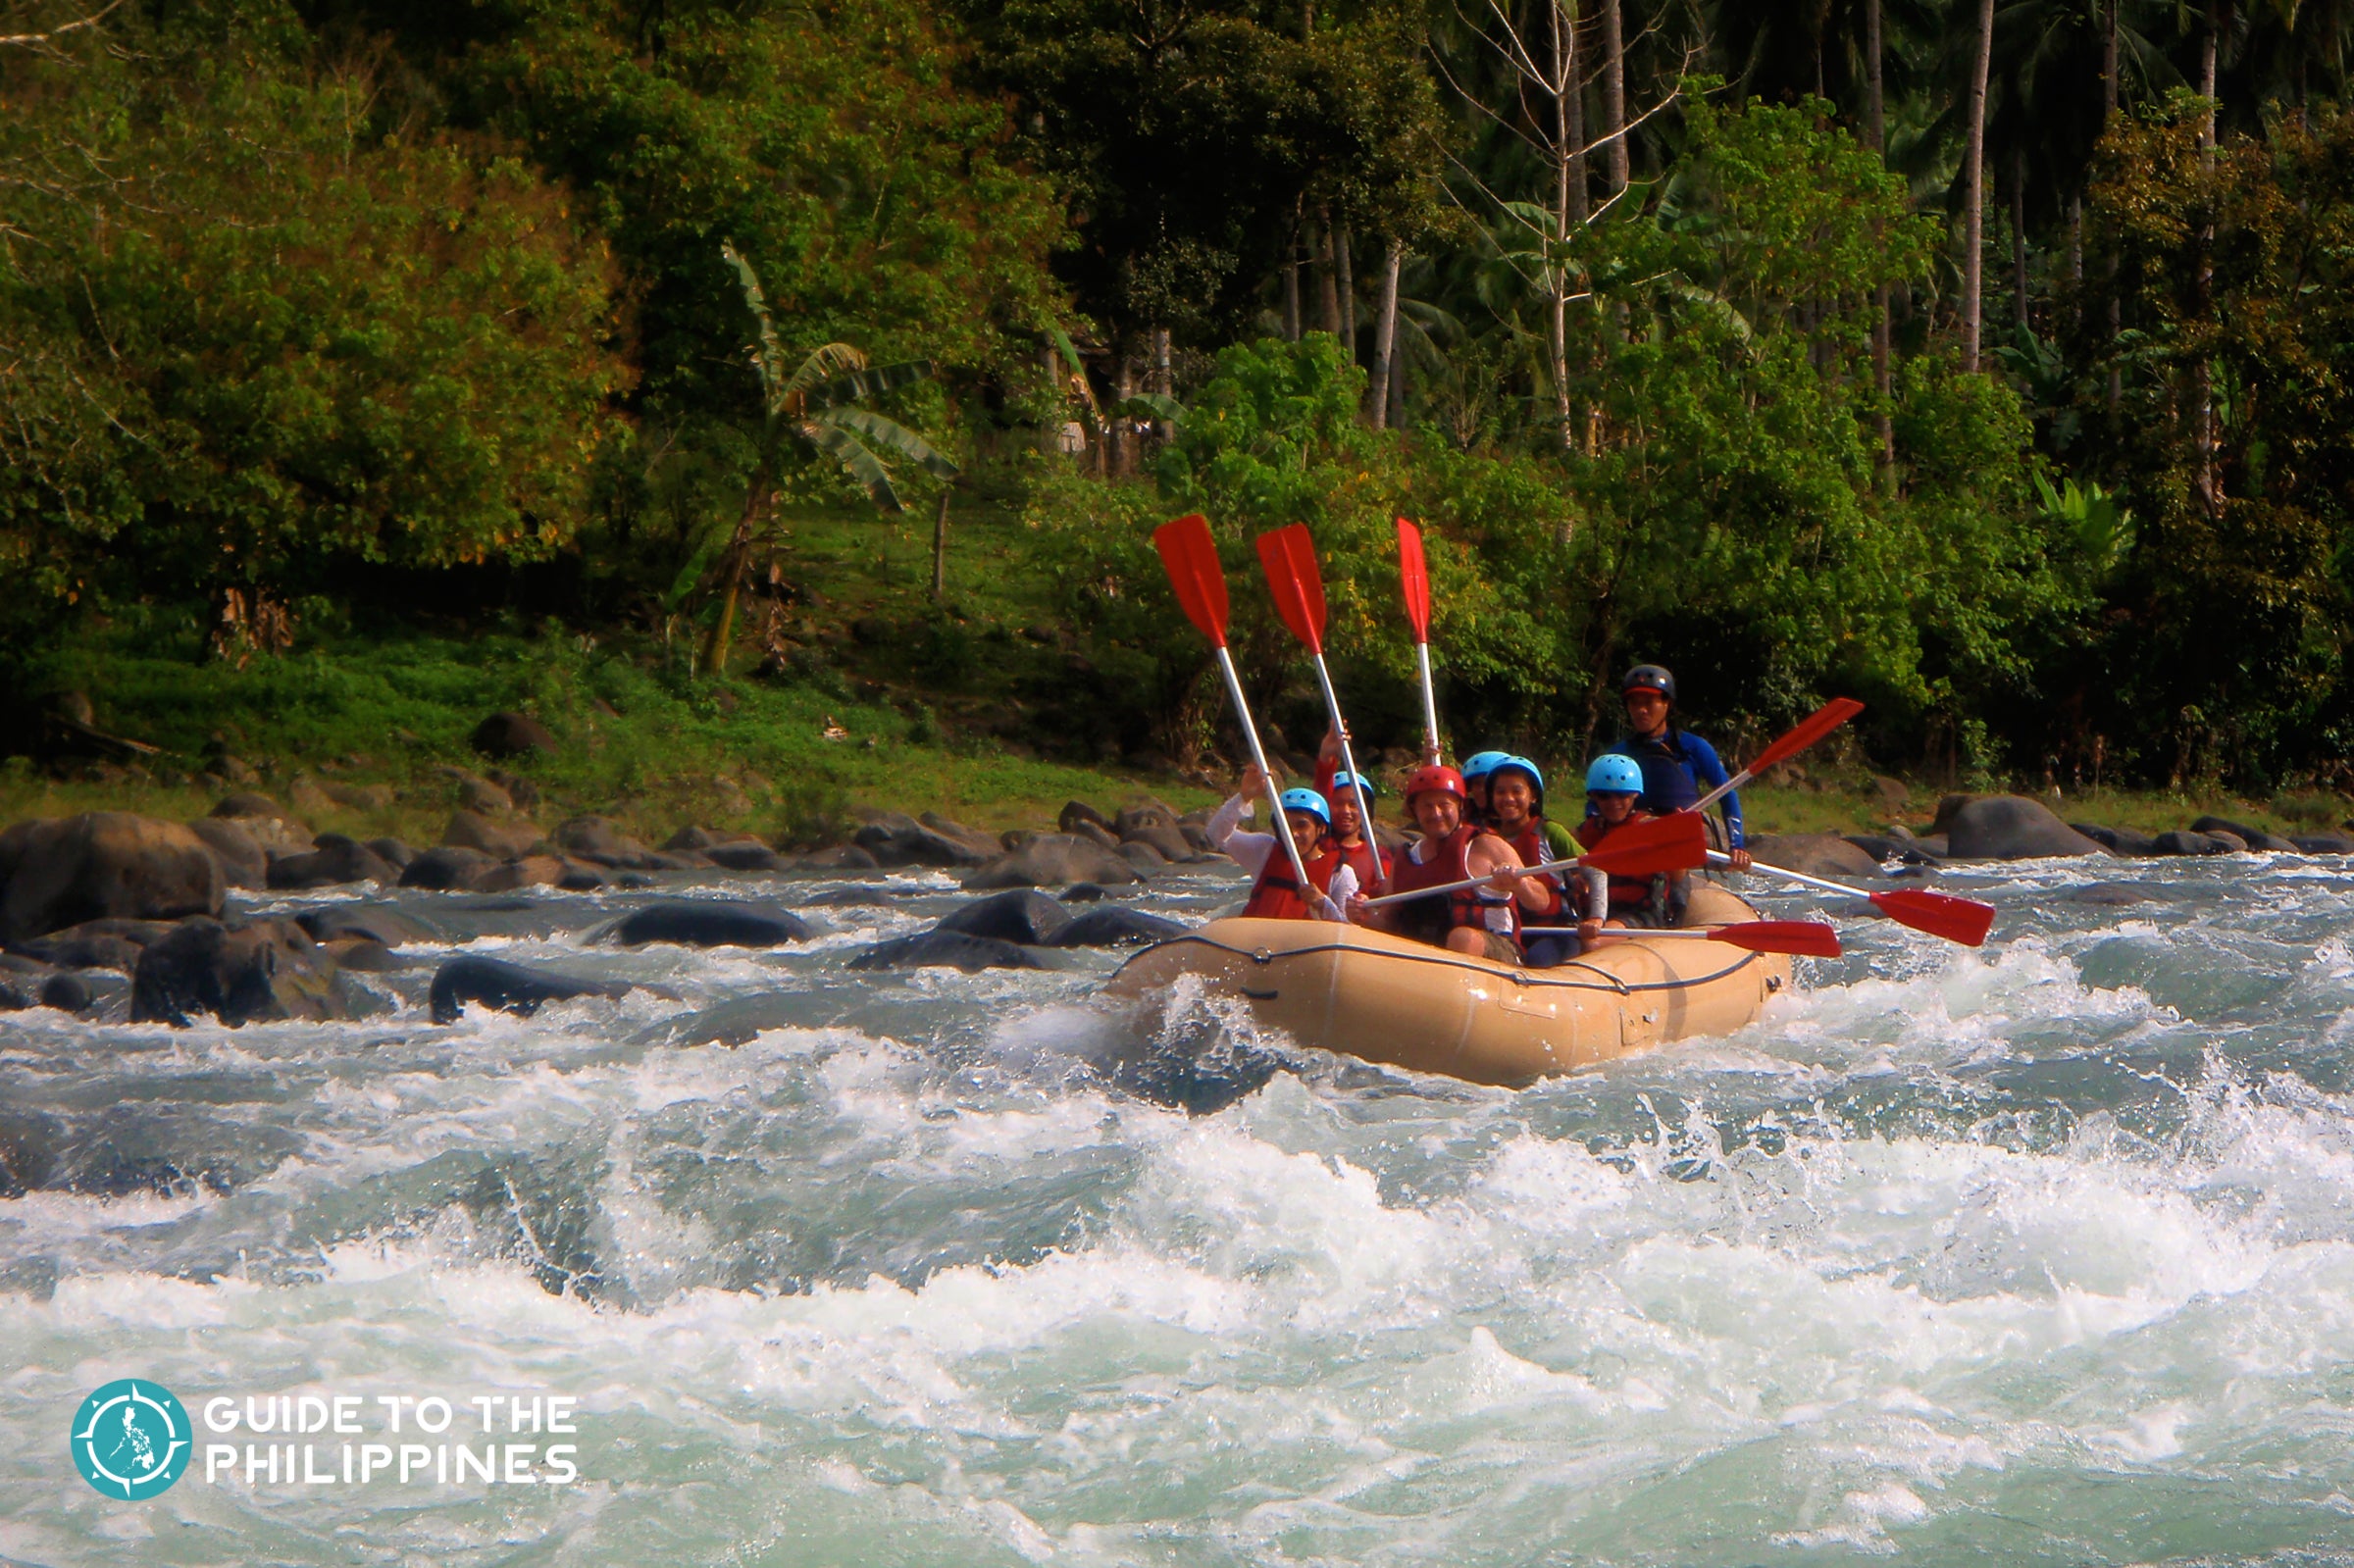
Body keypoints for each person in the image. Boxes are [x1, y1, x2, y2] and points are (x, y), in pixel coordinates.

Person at [1346, 765, 1553, 961]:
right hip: (1424, 958)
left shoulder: (1486, 845)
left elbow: (1541, 900)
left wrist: (1519, 884)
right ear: (1415, 811)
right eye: (1427, 806)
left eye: (1444, 805)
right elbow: (1387, 921)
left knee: (1462, 939)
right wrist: (1364, 916)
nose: (1436, 814)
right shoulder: (1405, 858)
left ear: (1460, 806)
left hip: (1496, 951)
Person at [1612, 665, 1754, 871]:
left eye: (1649, 702)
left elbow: (1727, 793)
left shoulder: (1693, 747)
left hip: (1682, 845)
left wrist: (1736, 845)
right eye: (1635, 703)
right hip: (1638, 844)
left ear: (1666, 704)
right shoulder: (1617, 755)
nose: (1641, 710)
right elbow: (1596, 805)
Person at [1485, 756, 1601, 965]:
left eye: (1517, 791)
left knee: (1536, 960)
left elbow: (1595, 870)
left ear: (1533, 797)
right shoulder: (1486, 838)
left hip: (1557, 932)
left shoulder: (1549, 832)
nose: (1508, 798)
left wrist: (1596, 918)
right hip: (1509, 932)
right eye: (1500, 792)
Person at [1207, 768, 1354, 921]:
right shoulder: (1264, 850)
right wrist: (1244, 797)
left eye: (1302, 825)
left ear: (1321, 829)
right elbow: (1216, 833)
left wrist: (1323, 904)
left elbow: (1347, 928)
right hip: (1258, 936)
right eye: (1285, 826)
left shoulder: (1341, 873)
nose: (1293, 834)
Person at [1575, 753, 1683, 929]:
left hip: (1641, 913)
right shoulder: (1586, 831)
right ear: (1593, 796)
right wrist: (1576, 879)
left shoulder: (1651, 827)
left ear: (1634, 795)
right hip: (1598, 912)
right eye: (1604, 795)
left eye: (1622, 795)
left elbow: (1678, 875)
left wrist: (1675, 839)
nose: (1614, 802)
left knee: (1594, 939)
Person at [1314, 729, 1394, 893]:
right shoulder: (1319, 846)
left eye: (1353, 804)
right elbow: (1320, 795)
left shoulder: (1378, 856)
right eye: (1338, 804)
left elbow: (1387, 895)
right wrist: (1326, 757)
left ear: (1366, 810)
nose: (1345, 811)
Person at [1458, 750, 1513, 828]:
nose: (1482, 789)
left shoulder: (1522, 825)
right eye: (1477, 783)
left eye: (1488, 783)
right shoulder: (1463, 816)